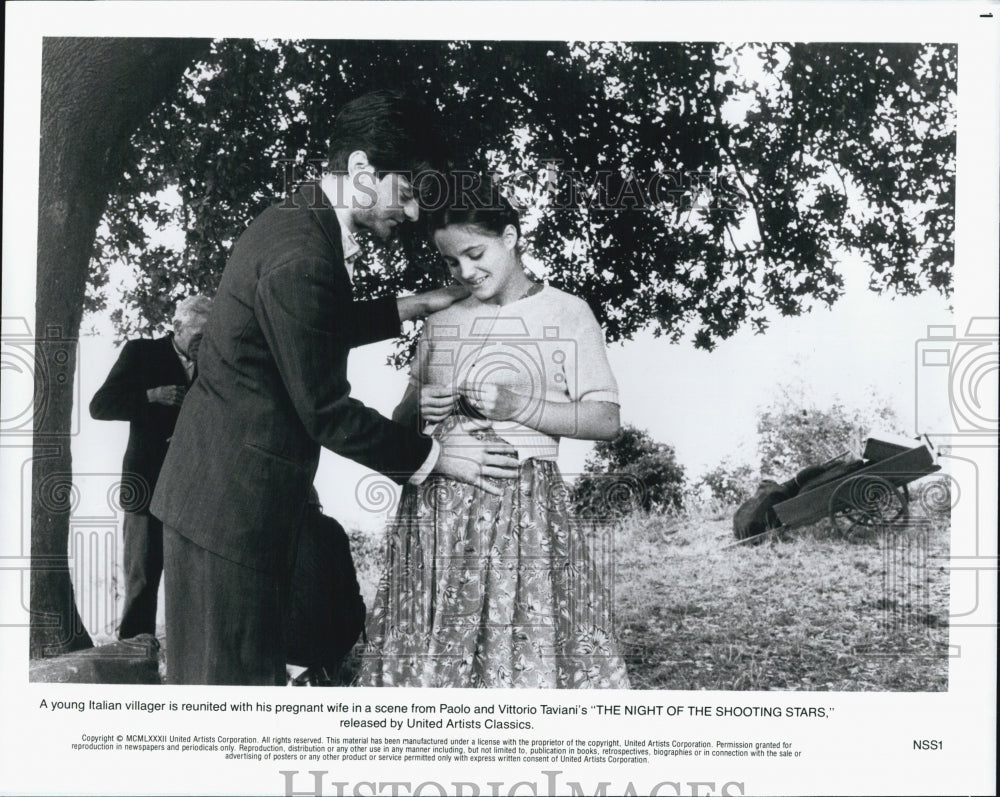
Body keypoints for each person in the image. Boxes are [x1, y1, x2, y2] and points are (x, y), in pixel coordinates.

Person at [149, 92, 519, 685]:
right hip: (230, 513)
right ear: (364, 172)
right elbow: (325, 410)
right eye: (408, 191)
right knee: (225, 699)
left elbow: (306, 329)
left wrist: (412, 305)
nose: (416, 212)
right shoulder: (304, 254)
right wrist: (437, 455)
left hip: (223, 497)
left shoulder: (295, 219)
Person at [360, 181, 631, 688]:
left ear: (510, 237)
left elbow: (605, 420)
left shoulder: (567, 311)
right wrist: (420, 406)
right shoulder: (441, 318)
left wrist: (518, 405)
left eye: (475, 253)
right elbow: (402, 422)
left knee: (519, 656)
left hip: (523, 505)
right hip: (435, 510)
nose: (465, 272)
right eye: (451, 263)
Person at [90, 294, 212, 640]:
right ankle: (132, 660)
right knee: (142, 580)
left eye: (211, 336)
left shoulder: (217, 362)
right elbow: (99, 406)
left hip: (192, 492)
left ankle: (185, 662)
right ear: (177, 327)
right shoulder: (141, 353)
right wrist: (150, 396)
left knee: (189, 583)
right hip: (146, 487)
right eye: (199, 336)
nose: (205, 345)